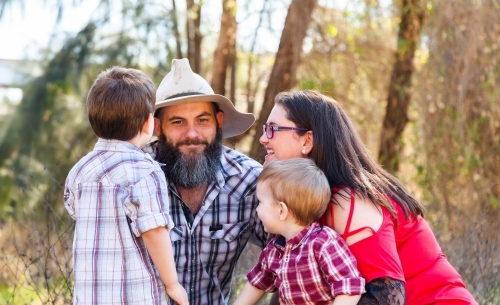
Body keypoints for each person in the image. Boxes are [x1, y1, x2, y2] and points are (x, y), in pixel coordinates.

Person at [261, 90, 478, 305]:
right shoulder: (306, 200)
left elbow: (387, 299)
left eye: (272, 129)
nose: (263, 138)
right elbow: (291, 284)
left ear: (307, 140)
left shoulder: (347, 201)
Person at [144, 58, 267, 304]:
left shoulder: (249, 181)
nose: (192, 134)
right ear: (158, 127)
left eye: (203, 120)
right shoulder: (137, 178)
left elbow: (291, 254)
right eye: (178, 122)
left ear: (218, 122)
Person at [64, 67, 188, 305]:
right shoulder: (144, 170)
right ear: (148, 122)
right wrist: (173, 284)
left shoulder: (80, 170)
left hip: (90, 296)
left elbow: (73, 209)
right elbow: (153, 231)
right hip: (135, 295)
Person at [233, 158, 365, 305]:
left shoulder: (323, 243)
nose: (257, 209)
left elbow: (349, 287)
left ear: (281, 210)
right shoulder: (274, 250)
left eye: (260, 202)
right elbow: (258, 282)